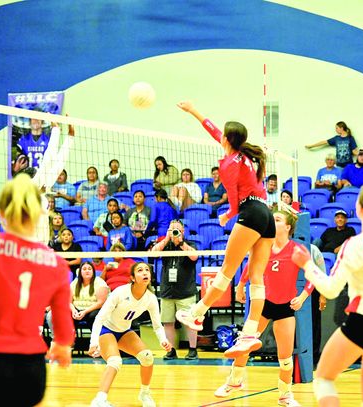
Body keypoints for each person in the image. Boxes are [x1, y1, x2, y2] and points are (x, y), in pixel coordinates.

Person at [175, 101, 275, 358]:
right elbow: (211, 129)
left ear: (229, 139)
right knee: (256, 278)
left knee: (227, 271)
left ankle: (196, 315)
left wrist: (228, 216)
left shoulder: (229, 163)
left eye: (223, 135)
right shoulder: (245, 156)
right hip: (267, 214)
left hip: (250, 212)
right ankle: (250, 333)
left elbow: (232, 196)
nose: (219, 137)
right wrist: (193, 111)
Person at [291, 182, 363, 407]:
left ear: (360, 209)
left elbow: (331, 289)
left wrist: (307, 265)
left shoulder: (355, 244)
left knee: (323, 379)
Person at [0, 174, 74, 406]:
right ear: (39, 213)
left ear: (2, 212)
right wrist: (63, 345)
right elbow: (61, 317)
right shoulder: (55, 262)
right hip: (31, 367)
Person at [216, 210, 314, 406]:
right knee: (244, 347)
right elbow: (250, 265)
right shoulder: (263, 246)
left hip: (285, 307)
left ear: (288, 227)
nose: (272, 222)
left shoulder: (297, 250)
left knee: (285, 359)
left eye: (277, 220)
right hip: (263, 304)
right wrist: (240, 285)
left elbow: (314, 275)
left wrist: (303, 297)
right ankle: (234, 382)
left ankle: (285, 395)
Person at [88, 261, 172, 407]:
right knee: (115, 361)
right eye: (140, 270)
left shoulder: (151, 298)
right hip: (106, 329)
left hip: (124, 331)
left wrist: (163, 340)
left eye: (147, 270)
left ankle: (144, 394)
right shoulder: (120, 292)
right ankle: (99, 400)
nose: (145, 272)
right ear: (133, 277)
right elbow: (99, 318)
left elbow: (157, 326)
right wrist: (93, 342)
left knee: (147, 358)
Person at [152, 219, 199, 360]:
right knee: (168, 322)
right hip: (167, 291)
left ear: (183, 231)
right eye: (172, 230)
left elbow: (194, 256)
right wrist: (167, 239)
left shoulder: (189, 244)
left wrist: (181, 243)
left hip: (186, 292)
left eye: (177, 230)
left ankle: (192, 350)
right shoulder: (165, 245)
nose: (175, 232)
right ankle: (171, 350)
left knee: (190, 323)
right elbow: (153, 254)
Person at [47, 261, 109, 336]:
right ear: (80, 272)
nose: (87, 271)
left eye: (89, 269)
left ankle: (96, 341)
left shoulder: (100, 282)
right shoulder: (75, 283)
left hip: (92, 309)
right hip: (77, 309)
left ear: (93, 271)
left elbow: (101, 302)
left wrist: (85, 312)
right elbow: (68, 301)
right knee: (63, 314)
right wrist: (73, 311)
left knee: (93, 316)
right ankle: (67, 341)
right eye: (84, 269)